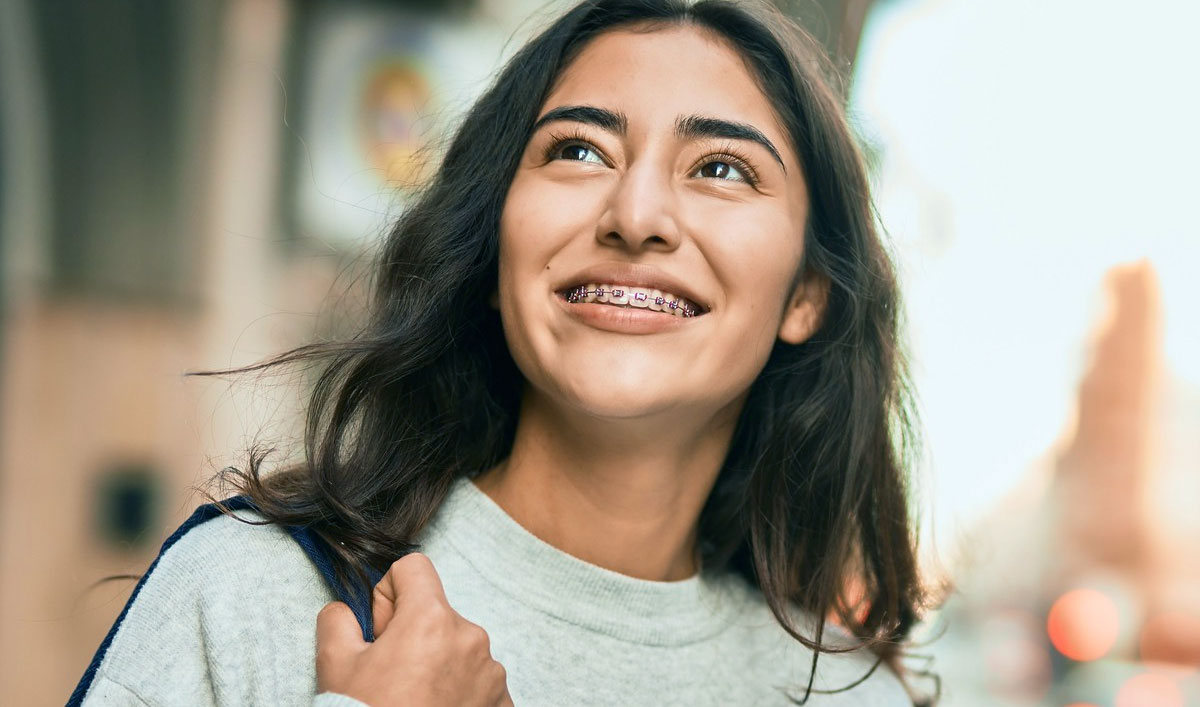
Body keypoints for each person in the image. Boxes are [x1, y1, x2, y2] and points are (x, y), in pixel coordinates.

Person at [71, 0, 934, 704]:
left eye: (721, 169)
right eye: (579, 150)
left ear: (808, 295)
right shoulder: (251, 594)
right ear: (494, 254)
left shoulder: (845, 692)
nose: (635, 215)